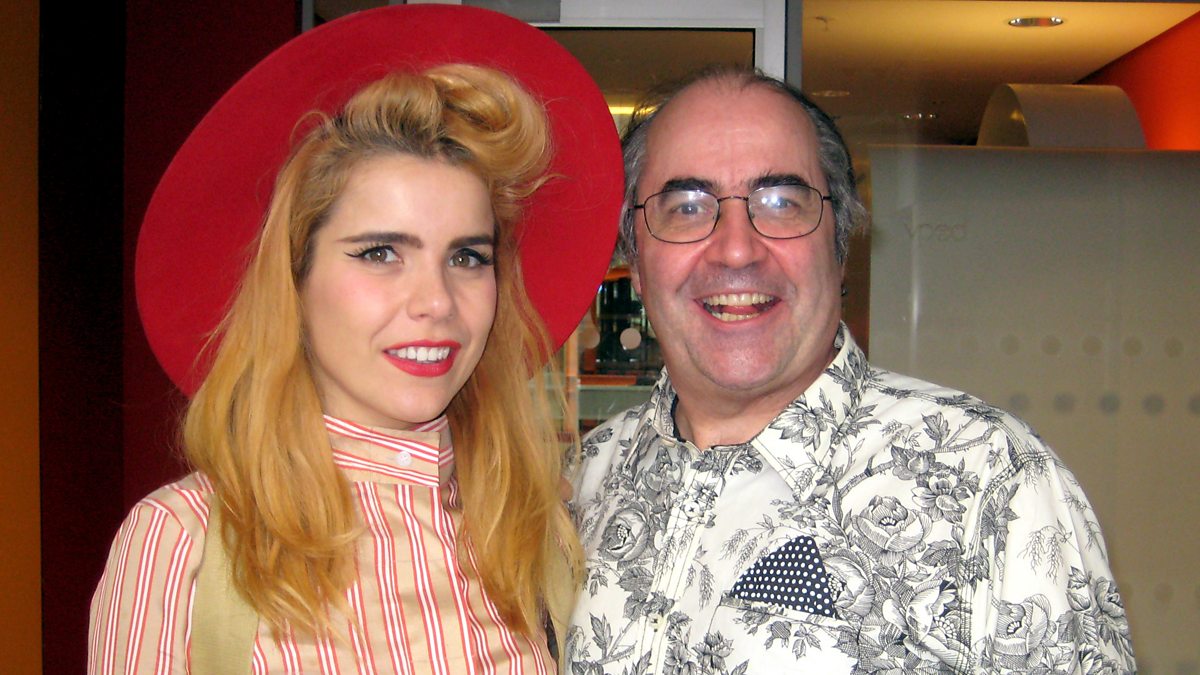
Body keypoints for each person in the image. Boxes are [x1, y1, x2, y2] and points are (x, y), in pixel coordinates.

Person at [89, 6, 621, 673]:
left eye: (466, 257)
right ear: (294, 277)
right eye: (380, 253)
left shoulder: (538, 538)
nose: (436, 302)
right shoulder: (181, 543)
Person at [566, 66, 1136, 673]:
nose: (736, 249)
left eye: (781, 203)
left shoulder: (993, 481)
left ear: (839, 246)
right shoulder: (584, 482)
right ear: (636, 259)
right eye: (686, 207)